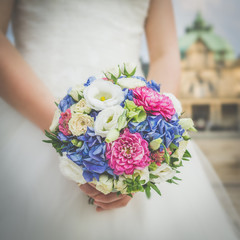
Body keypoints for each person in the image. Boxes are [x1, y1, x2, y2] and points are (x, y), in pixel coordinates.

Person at [0, 0, 239, 239]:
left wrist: (143, 148)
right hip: (32, 117)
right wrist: (68, 131)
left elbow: (165, 54)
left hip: (133, 121)